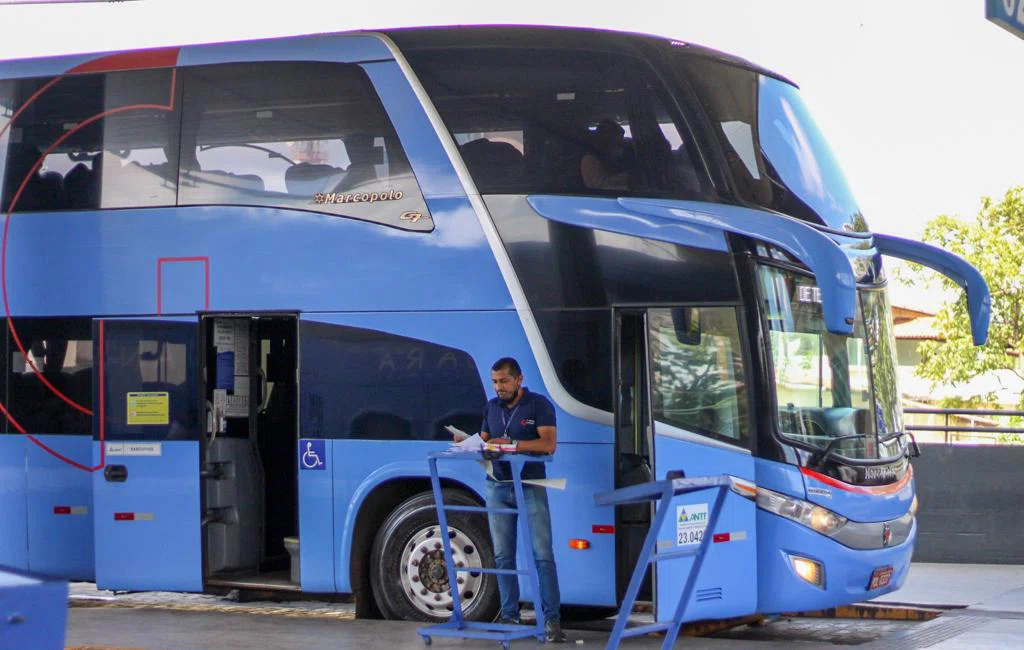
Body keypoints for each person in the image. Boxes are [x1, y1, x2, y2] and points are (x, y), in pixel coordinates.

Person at [478, 357, 566, 643]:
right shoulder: (492, 407)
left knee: (542, 553)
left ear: (518, 379)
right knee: (502, 555)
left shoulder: (538, 405)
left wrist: (513, 446)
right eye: (494, 382)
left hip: (530, 483)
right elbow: (484, 440)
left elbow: (548, 444)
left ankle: (551, 619)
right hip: (498, 485)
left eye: (504, 381)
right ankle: (508, 615)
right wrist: (476, 447)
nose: (498, 387)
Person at [580, 118, 630, 191]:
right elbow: (599, 187)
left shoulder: (613, 159)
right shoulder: (589, 160)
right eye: (618, 143)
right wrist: (626, 178)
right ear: (605, 140)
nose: (622, 145)